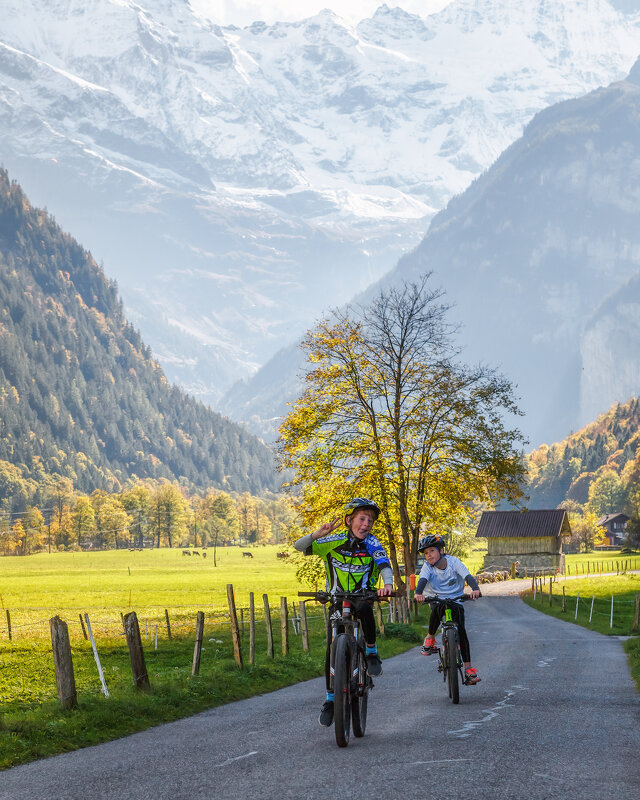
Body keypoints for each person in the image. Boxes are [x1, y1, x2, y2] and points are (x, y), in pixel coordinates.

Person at [294, 498, 394, 727]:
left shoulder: (372, 542)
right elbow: (299, 547)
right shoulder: (333, 541)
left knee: (365, 611)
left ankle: (371, 651)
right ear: (350, 520)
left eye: (370, 520)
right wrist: (316, 535)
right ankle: (330, 699)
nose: (366, 524)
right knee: (331, 646)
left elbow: (384, 564)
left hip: (362, 597)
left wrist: (386, 585)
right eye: (362, 519)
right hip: (337, 600)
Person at [413, 534, 481, 686]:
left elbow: (467, 576)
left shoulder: (453, 562)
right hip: (435, 598)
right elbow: (423, 580)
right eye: (426, 553)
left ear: (441, 550)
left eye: (432, 551)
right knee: (437, 608)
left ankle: (469, 669)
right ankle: (430, 638)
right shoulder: (427, 567)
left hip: (455, 598)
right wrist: (418, 593)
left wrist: (475, 589)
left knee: (461, 631)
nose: (428, 555)